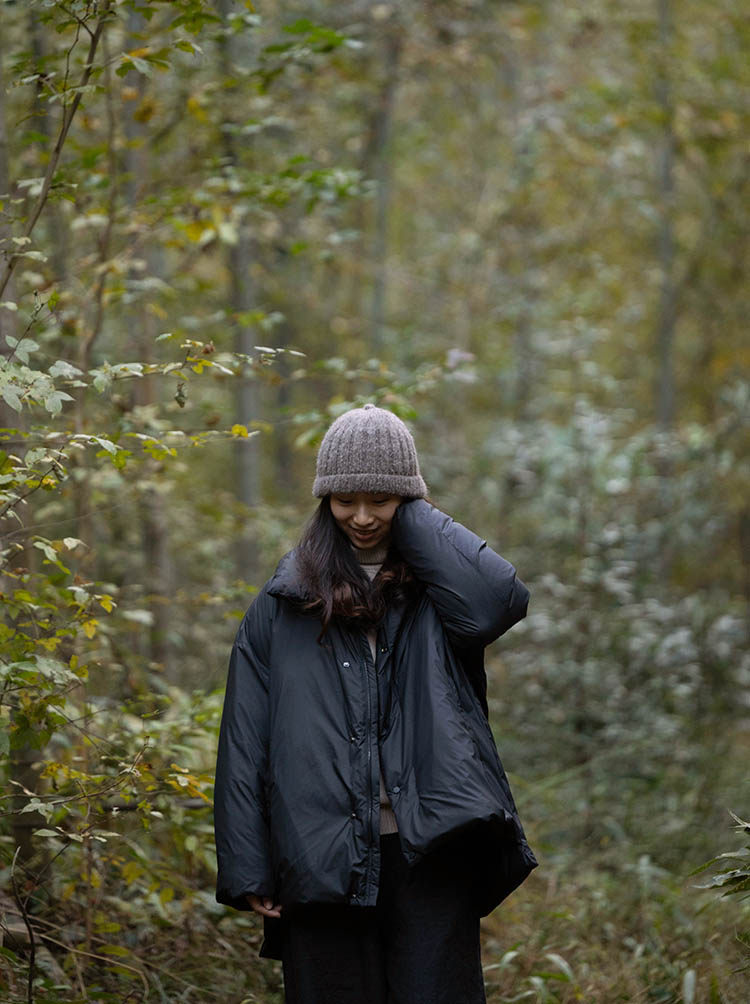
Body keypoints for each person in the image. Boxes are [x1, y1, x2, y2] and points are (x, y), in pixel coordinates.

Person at [214, 403, 537, 1004]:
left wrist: (415, 517)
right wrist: (248, 864)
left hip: (430, 850)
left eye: (381, 500)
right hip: (317, 853)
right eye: (344, 500)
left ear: (408, 500)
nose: (361, 517)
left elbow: (498, 602)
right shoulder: (281, 604)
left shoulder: (439, 595)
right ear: (324, 501)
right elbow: (244, 740)